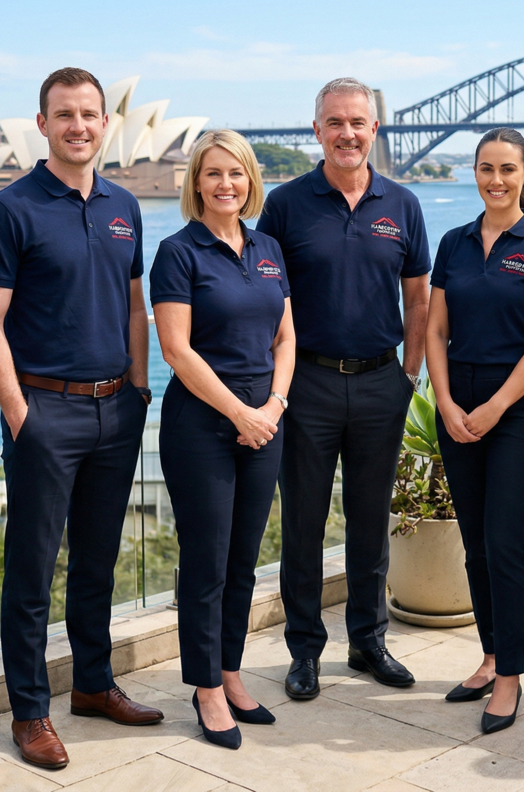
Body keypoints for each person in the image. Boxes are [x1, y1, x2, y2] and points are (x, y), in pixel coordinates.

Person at [0, 67, 162, 771]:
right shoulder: (9, 210)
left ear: (105, 123)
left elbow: (135, 304)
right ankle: (29, 711)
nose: (78, 125)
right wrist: (20, 414)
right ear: (43, 122)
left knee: (98, 562)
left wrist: (140, 390)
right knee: (31, 570)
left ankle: (92, 683)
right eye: (64, 114)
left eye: (90, 113)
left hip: (118, 406)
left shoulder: (123, 206)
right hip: (45, 408)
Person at [257, 78, 431, 699]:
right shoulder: (284, 204)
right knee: (302, 521)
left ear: (375, 129)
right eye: (335, 123)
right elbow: (269, 298)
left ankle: (368, 640)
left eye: (358, 122)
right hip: (307, 385)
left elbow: (418, 298)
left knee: (368, 520)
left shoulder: (403, 205)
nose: (347, 134)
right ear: (317, 131)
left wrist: (409, 375)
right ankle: (304, 649)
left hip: (382, 380)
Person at [152, 130, 296, 750]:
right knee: (206, 564)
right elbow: (176, 350)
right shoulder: (177, 252)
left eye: (235, 173)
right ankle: (205, 688)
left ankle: (231, 673)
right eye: (213, 174)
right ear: (196, 183)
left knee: (243, 562)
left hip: (264, 424)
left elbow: (286, 337)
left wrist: (273, 405)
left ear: (250, 179)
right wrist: (241, 412)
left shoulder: (267, 247)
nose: (226, 185)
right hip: (203, 427)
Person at [426, 128, 524, 734]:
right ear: (474, 173)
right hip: (457, 402)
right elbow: (435, 331)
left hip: (516, 411)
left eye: (508, 169)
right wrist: (449, 403)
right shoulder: (454, 243)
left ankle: (509, 676)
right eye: (486, 168)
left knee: (505, 543)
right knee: (477, 544)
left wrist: (494, 407)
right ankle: (487, 658)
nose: (496, 180)